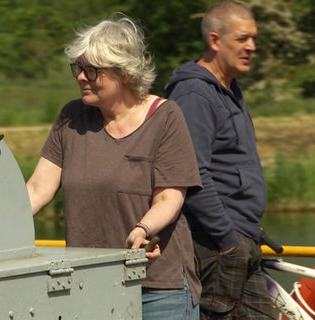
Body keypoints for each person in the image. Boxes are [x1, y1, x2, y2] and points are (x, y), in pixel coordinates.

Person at [26, 14, 202, 320]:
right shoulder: (71, 117)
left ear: (124, 72)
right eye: (78, 69)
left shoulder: (166, 117)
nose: (81, 77)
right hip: (88, 285)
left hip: (157, 291)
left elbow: (169, 197)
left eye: (92, 70)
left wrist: (143, 230)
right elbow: (37, 189)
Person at [164, 1, 277, 319]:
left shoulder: (229, 90)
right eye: (242, 39)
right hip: (218, 246)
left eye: (254, 38)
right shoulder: (195, 95)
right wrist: (227, 239)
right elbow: (190, 173)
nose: (252, 47)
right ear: (215, 40)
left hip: (243, 238)